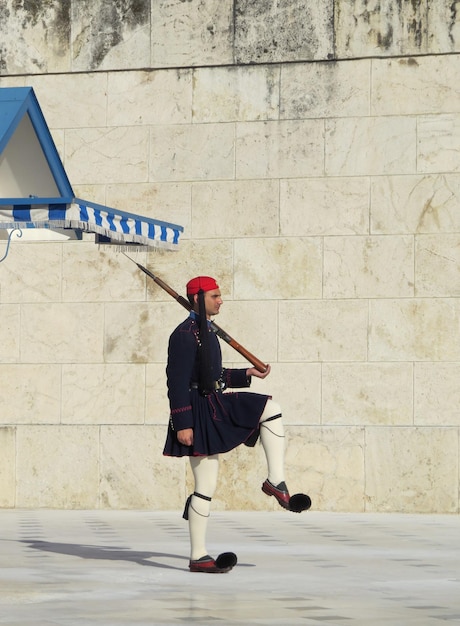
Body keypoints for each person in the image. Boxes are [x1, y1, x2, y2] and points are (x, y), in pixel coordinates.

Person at [163, 275, 311, 573]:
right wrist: (183, 423)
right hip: (197, 413)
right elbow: (177, 382)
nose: (221, 300)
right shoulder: (184, 335)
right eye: (215, 296)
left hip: (214, 404)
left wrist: (247, 374)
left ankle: (276, 481)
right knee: (205, 486)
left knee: (271, 408)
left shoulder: (206, 331)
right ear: (197, 299)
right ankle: (199, 556)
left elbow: (212, 375)